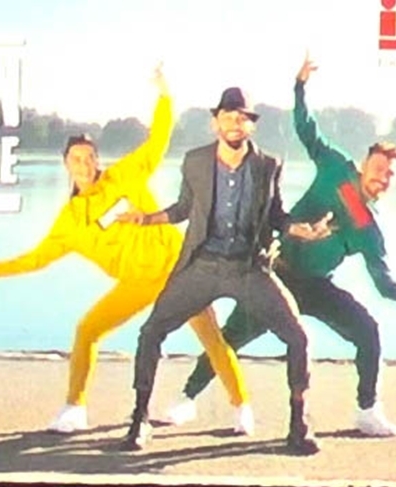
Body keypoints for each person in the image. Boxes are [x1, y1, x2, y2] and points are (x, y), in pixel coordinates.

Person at [162, 56, 396, 439]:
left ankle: (368, 410)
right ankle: (186, 397)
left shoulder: (367, 230)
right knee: (230, 339)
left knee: (368, 331)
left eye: (389, 175)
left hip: (316, 287)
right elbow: (306, 129)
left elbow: (385, 285)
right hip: (277, 274)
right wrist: (300, 86)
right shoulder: (336, 168)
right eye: (377, 168)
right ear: (363, 164)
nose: (381, 178)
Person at [0, 69, 247, 436]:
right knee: (87, 330)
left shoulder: (123, 177)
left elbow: (157, 141)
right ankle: (74, 410)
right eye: (76, 158)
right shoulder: (70, 222)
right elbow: (36, 258)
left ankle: (241, 409)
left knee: (211, 339)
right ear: (66, 165)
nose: (84, 164)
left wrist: (163, 96)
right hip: (137, 283)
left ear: (97, 160)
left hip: (180, 270)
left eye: (89, 157)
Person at [120, 87, 333, 456]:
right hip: (201, 266)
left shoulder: (268, 165)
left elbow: (277, 215)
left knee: (298, 337)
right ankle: (139, 419)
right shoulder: (195, 162)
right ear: (215, 121)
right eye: (228, 116)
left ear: (250, 125)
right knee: (151, 331)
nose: (234, 123)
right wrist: (146, 220)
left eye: (242, 118)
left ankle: (299, 424)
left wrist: (303, 231)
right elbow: (183, 208)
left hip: (247, 268)